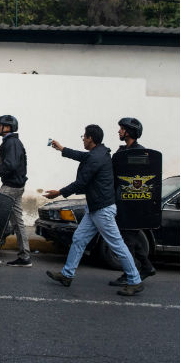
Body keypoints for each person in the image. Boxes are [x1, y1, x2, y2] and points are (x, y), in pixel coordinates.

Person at [44, 125, 144, 297]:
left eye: (84, 136)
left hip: (102, 209)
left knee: (117, 245)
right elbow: (82, 156)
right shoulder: (98, 153)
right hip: (95, 207)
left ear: (90, 138)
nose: (82, 138)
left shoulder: (96, 158)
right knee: (79, 238)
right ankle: (67, 275)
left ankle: (135, 280)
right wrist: (62, 149)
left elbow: (81, 182)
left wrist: (59, 193)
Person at [109, 117, 156, 286]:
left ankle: (129, 275)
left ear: (129, 132)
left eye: (122, 129)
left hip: (134, 204)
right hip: (123, 203)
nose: (119, 131)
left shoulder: (140, 153)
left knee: (127, 240)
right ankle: (146, 266)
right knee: (130, 239)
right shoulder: (123, 151)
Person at [0, 115, 31, 267]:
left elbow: (11, 165)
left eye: (0, 125)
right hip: (16, 186)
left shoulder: (11, 143)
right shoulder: (11, 142)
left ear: (7, 127)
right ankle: (25, 256)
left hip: (10, 187)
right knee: (17, 222)